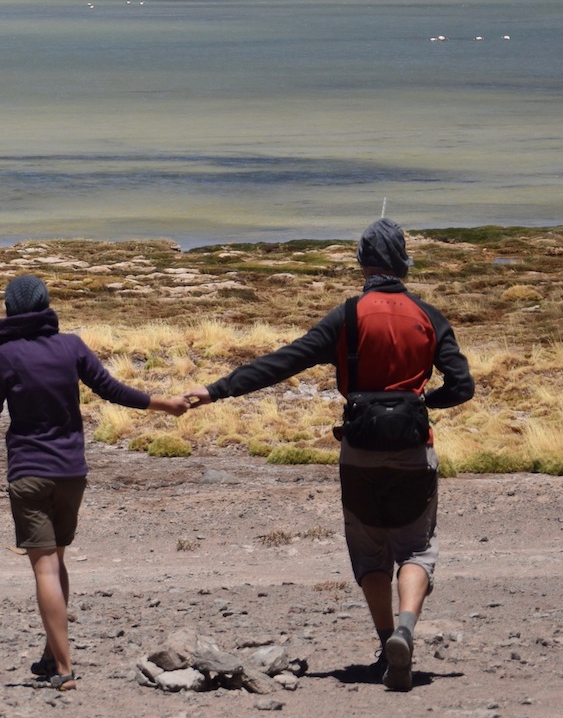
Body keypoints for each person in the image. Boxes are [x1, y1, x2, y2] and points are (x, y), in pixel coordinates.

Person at [177, 219, 473, 691]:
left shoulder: (347, 317)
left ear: (362, 264)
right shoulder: (429, 317)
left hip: (359, 454)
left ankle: (384, 642)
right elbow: (462, 387)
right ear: (402, 263)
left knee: (370, 553)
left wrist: (216, 390)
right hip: (416, 452)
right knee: (416, 548)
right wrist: (422, 404)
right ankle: (406, 629)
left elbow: (282, 362)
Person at [0, 273, 188, 690]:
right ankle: (52, 654)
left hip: (29, 472)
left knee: (45, 568)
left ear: (9, 309)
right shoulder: (71, 346)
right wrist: (164, 404)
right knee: (58, 561)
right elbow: (112, 389)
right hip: (71, 472)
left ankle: (65, 668)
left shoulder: (4, 357)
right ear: (46, 303)